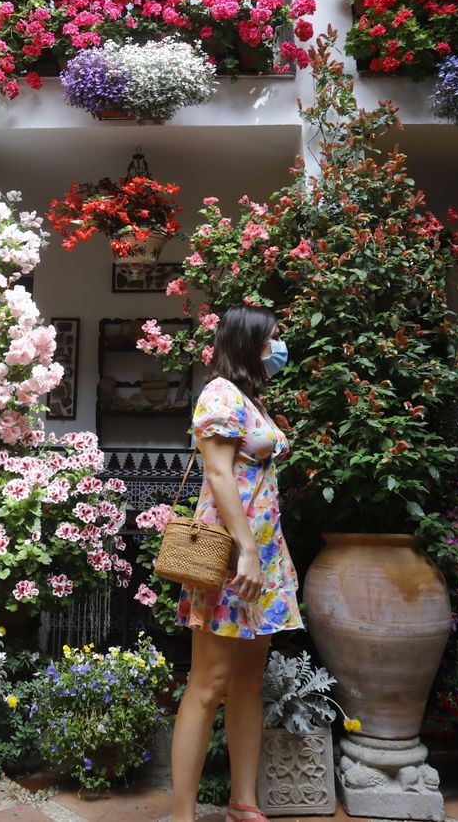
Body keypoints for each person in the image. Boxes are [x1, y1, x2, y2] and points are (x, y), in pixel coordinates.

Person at [169, 304, 303, 822]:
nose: (279, 349)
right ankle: (182, 814)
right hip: (232, 555)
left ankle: (242, 802)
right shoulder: (220, 394)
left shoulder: (250, 400)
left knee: (249, 678)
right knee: (209, 683)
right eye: (273, 340)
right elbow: (220, 475)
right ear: (249, 343)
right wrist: (246, 550)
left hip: (263, 555)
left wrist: (261, 554)